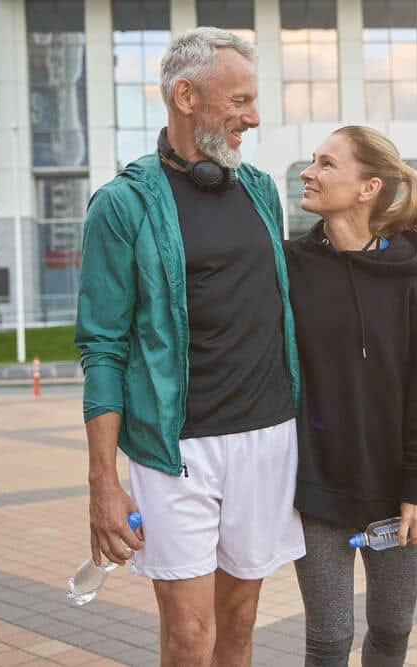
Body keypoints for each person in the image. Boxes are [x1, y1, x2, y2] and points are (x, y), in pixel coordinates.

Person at [74, 27, 304, 666]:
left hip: (267, 436)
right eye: (239, 102)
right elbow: (103, 347)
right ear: (185, 96)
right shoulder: (121, 206)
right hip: (176, 450)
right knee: (188, 638)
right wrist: (103, 481)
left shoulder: (260, 189)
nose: (253, 118)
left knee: (240, 621)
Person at [285, 125, 417, 666]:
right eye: (313, 161)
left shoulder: (412, 275)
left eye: (327, 163)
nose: (309, 173)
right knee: (330, 641)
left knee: (391, 632)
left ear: (367, 187)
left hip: (394, 492)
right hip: (316, 488)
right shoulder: (288, 266)